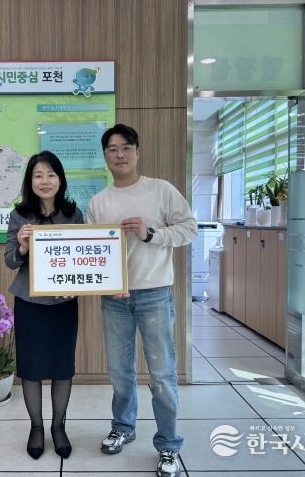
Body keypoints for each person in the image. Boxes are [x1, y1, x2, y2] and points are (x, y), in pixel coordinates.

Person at [86, 124, 198, 477]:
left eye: (125, 148)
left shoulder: (160, 190)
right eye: (112, 149)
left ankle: (168, 445)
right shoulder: (98, 202)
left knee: (162, 375)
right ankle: (123, 427)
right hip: (114, 298)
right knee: (120, 372)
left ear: (137, 152)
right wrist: (105, 283)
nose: (119, 154)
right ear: (105, 156)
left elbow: (189, 228)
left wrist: (150, 234)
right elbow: (92, 254)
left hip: (154, 294)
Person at [4, 150, 84, 460]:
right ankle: (36, 428)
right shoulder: (19, 215)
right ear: (30, 181)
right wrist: (23, 247)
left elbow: (83, 256)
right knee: (32, 367)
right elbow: (10, 261)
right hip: (30, 302)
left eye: (51, 174)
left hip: (64, 303)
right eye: (38, 175)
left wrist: (76, 285)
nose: (45, 180)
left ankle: (58, 427)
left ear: (60, 179)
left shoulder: (74, 214)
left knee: (63, 367)